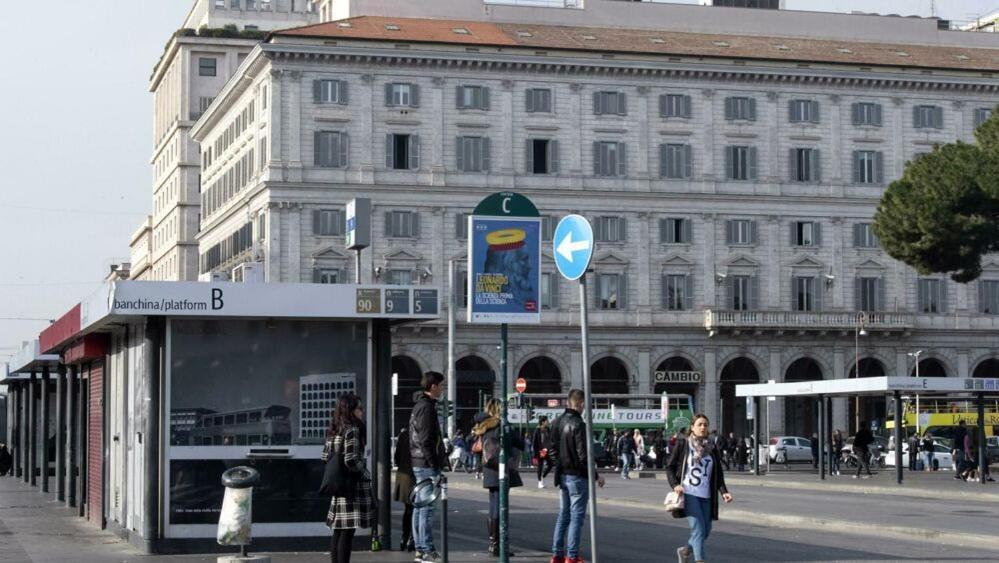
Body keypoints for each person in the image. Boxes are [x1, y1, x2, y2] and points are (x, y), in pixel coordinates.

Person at [668, 414, 734, 563]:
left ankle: (685, 551)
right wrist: (675, 485)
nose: (703, 427)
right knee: (698, 529)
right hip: (689, 492)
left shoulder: (711, 447)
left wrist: (724, 492)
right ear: (692, 427)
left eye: (705, 424)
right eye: (699, 424)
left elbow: (718, 472)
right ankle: (700, 560)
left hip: (706, 495)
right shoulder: (683, 444)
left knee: (706, 530)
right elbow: (669, 467)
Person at [550, 388, 605, 563]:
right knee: (576, 518)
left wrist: (559, 464)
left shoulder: (557, 421)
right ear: (581, 404)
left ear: (568, 402)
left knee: (563, 515)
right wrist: (596, 475)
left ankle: (556, 555)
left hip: (563, 475)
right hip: (577, 476)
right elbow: (584, 456)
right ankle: (572, 557)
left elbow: (551, 449)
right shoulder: (579, 424)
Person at [322, 393, 375, 563]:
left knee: (338, 530)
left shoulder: (334, 429)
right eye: (359, 408)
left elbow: (325, 456)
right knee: (347, 532)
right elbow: (351, 460)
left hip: (338, 485)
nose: (362, 412)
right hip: (351, 486)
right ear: (350, 410)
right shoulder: (352, 429)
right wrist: (366, 474)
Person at [471, 398, 525, 556]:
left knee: (493, 507)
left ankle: (492, 544)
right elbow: (520, 443)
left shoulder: (483, 426)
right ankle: (499, 546)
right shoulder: (502, 425)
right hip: (501, 469)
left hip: (489, 469)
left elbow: (473, 433)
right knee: (501, 508)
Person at [409, 371, 447, 563]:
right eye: (441, 385)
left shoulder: (420, 406)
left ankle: (420, 548)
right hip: (425, 463)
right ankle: (426, 549)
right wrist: (434, 464)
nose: (442, 388)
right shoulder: (426, 408)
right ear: (433, 387)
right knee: (427, 509)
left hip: (419, 461)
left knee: (420, 507)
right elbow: (426, 440)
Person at [393, 428, 415, 552]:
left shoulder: (403, 435)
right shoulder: (420, 432)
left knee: (408, 509)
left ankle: (404, 538)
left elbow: (396, 457)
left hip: (404, 475)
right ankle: (413, 539)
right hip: (415, 475)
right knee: (418, 509)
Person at [533, 416, 554, 488]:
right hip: (541, 450)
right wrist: (536, 453)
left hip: (547, 450)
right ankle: (540, 482)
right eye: (547, 421)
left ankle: (543, 476)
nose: (548, 422)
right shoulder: (537, 430)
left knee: (551, 464)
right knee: (540, 465)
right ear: (543, 422)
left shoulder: (547, 429)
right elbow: (534, 442)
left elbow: (550, 439)